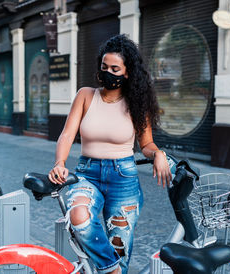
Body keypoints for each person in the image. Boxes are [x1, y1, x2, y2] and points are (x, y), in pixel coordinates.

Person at [48, 34, 172, 274]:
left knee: (120, 247)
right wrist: (60, 162)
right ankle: (111, 270)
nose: (108, 73)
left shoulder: (137, 103)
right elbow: (66, 134)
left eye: (115, 68)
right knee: (79, 216)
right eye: (104, 67)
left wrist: (158, 153)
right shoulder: (85, 95)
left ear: (127, 73)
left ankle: (114, 267)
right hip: (87, 174)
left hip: (123, 178)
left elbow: (146, 144)